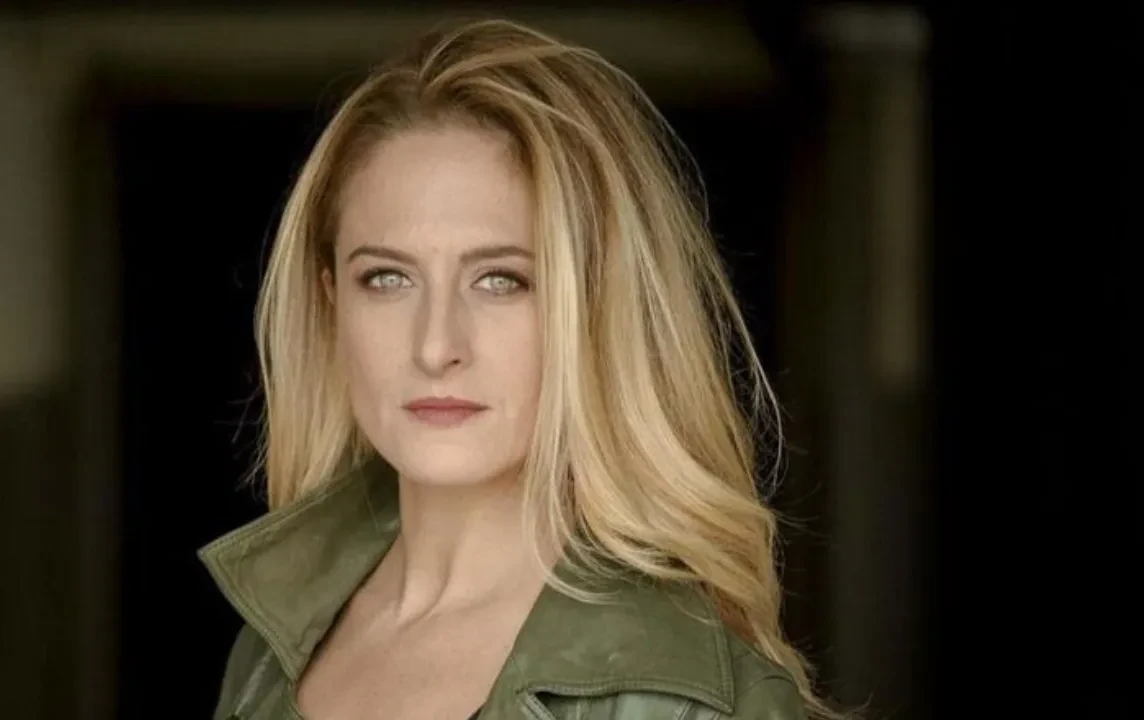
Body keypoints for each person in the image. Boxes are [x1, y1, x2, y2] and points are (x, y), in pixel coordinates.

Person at [199, 16, 843, 720]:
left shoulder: (688, 700)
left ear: (595, 308)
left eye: (501, 280)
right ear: (331, 304)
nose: (435, 346)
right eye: (387, 278)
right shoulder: (267, 653)